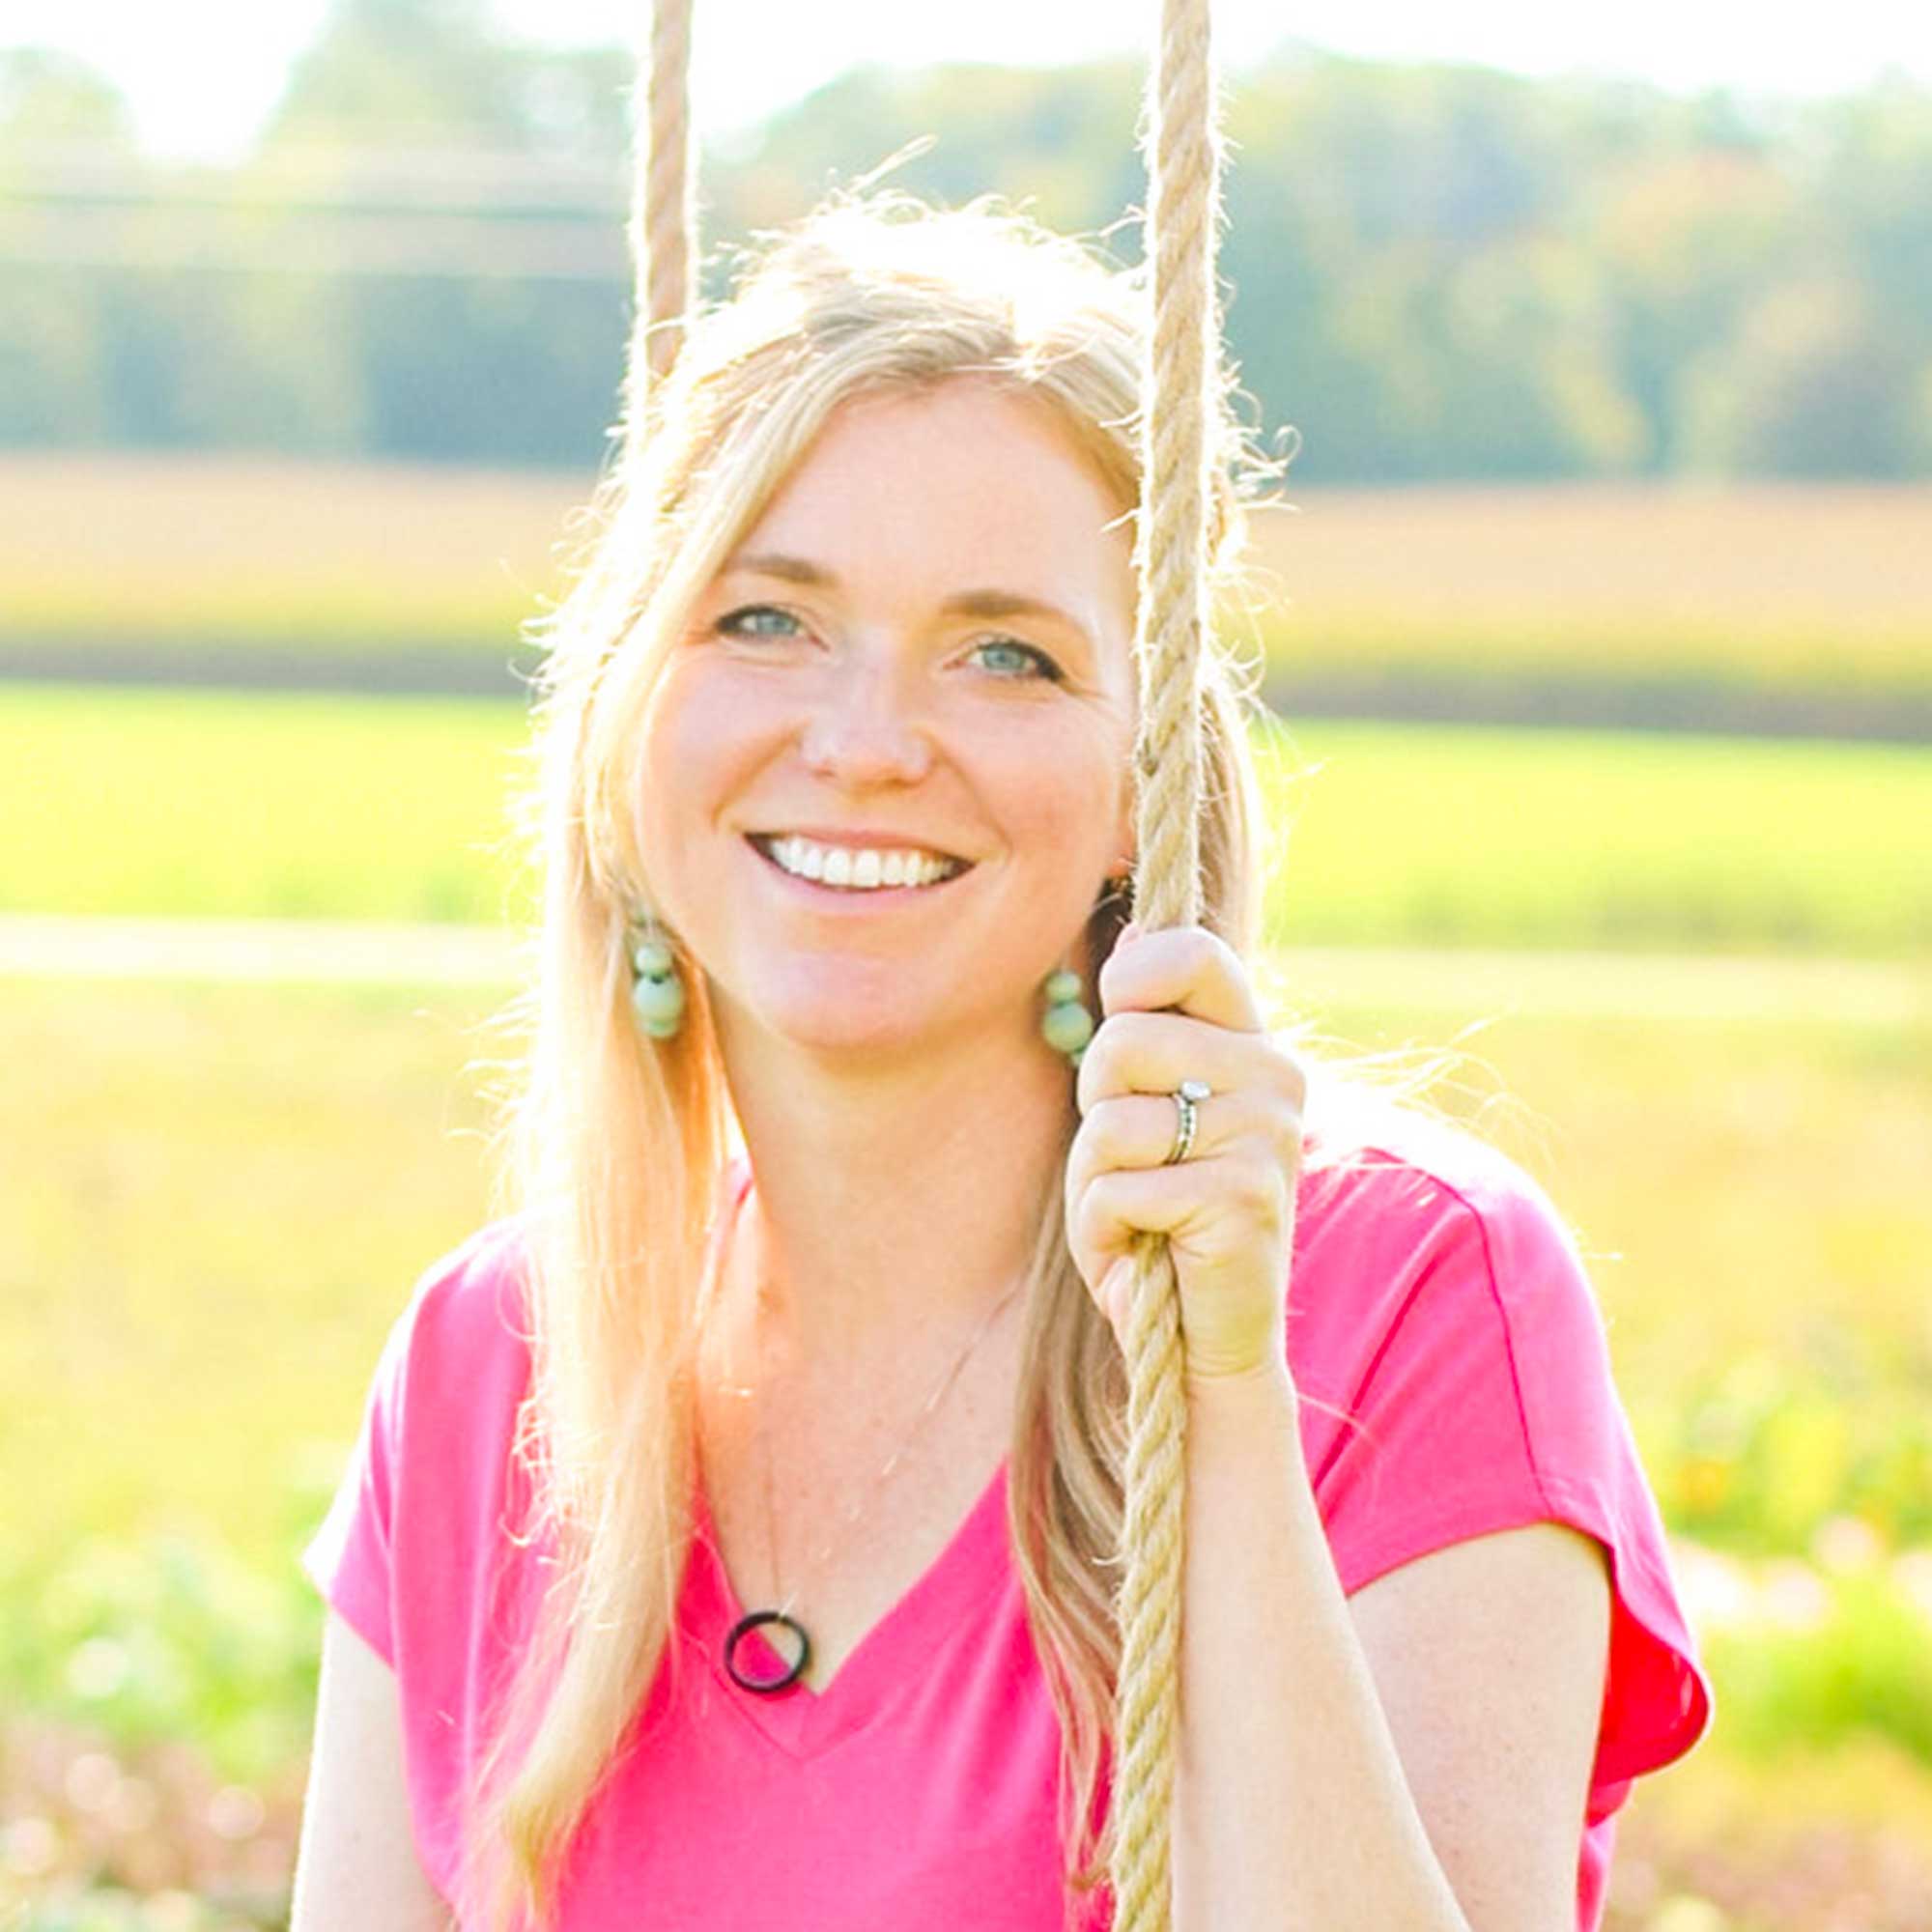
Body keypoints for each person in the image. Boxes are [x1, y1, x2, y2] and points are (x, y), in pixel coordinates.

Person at [290, 193, 1712, 1932]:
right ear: (625, 712)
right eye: (765, 621)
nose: (871, 742)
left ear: (1143, 789)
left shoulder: (1404, 1294)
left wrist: (1222, 1399)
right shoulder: (486, 1368)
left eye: (1006, 654)